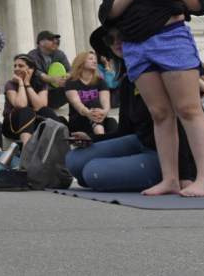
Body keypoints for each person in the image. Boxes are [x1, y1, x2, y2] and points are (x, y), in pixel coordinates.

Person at [98, 0, 204, 197]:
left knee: (188, 109)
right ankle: (170, 179)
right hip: (137, 47)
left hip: (170, 39)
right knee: (160, 114)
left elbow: (198, 4)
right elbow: (108, 14)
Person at [65, 26, 196, 192]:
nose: (117, 42)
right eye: (110, 39)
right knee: (74, 159)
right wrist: (90, 138)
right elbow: (124, 130)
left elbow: (179, 125)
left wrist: (184, 176)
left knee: (93, 172)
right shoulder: (127, 81)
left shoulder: (161, 74)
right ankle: (117, 176)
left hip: (165, 154)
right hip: (138, 141)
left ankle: (161, 176)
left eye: (123, 34)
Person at [2, 54, 60, 146]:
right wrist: (21, 83)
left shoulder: (41, 84)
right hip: (12, 126)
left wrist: (27, 83)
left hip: (33, 126)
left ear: (31, 69)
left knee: (46, 111)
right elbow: (21, 104)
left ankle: (61, 143)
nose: (16, 69)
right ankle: (26, 149)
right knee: (27, 110)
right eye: (15, 66)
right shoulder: (10, 84)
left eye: (21, 66)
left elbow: (40, 106)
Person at [64, 51, 118, 136]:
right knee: (94, 102)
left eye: (95, 59)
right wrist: (88, 113)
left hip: (99, 118)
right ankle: (100, 138)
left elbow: (105, 102)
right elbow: (76, 102)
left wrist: (104, 112)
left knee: (112, 122)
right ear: (81, 62)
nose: (95, 61)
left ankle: (108, 143)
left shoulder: (100, 81)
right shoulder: (71, 82)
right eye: (90, 59)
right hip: (79, 118)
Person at [26, 30, 71, 109]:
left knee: (72, 82)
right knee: (37, 79)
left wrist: (65, 78)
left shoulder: (59, 53)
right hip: (39, 92)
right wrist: (54, 79)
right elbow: (37, 73)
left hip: (55, 92)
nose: (54, 41)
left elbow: (69, 70)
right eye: (51, 39)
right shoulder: (32, 55)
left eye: (55, 40)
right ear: (42, 42)